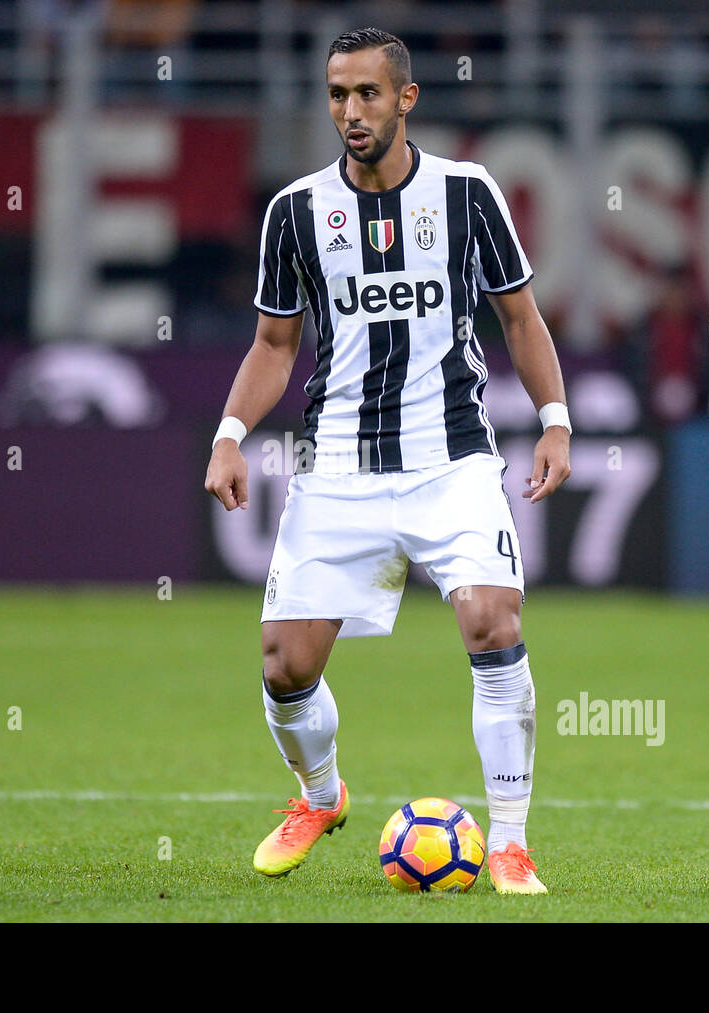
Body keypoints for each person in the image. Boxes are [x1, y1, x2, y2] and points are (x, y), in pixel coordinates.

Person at [203, 27, 571, 894]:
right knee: (284, 667)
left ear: (406, 99)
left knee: (494, 622)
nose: (350, 111)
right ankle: (320, 795)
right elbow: (272, 343)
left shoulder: (469, 195)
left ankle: (511, 841)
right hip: (337, 465)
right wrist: (228, 433)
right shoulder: (295, 211)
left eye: (368, 93)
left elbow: (520, 318)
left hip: (453, 459)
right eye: (337, 94)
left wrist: (554, 420)